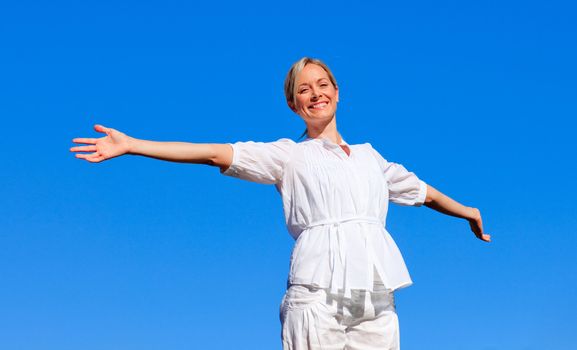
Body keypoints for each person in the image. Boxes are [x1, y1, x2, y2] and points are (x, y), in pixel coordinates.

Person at [70, 57, 490, 350]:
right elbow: (215, 153)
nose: (315, 93)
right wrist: (133, 145)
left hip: (376, 295)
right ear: (294, 104)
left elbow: (424, 192)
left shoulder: (370, 157)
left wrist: (467, 210)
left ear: (338, 92)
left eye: (322, 85)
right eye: (303, 90)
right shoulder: (288, 155)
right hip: (316, 294)